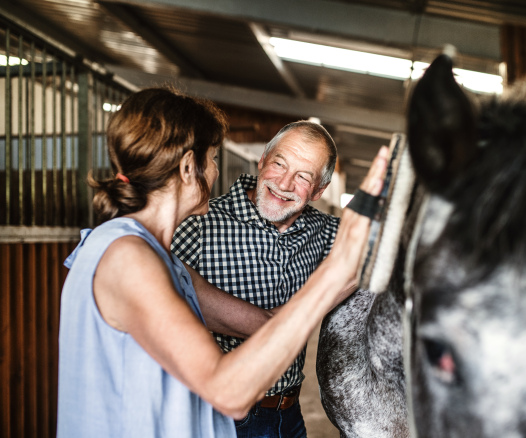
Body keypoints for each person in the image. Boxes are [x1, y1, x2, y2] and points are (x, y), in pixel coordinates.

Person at [56, 87, 389, 438]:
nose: (216, 171)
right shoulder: (127, 257)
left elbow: (266, 323)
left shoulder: (163, 262)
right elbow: (226, 392)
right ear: (188, 168)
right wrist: (335, 272)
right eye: (214, 159)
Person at [171, 120, 344, 438]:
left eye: (303, 177)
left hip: (289, 415)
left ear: (319, 191)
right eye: (279, 164)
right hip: (220, 417)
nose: (285, 183)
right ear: (262, 160)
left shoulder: (326, 231)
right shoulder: (198, 226)